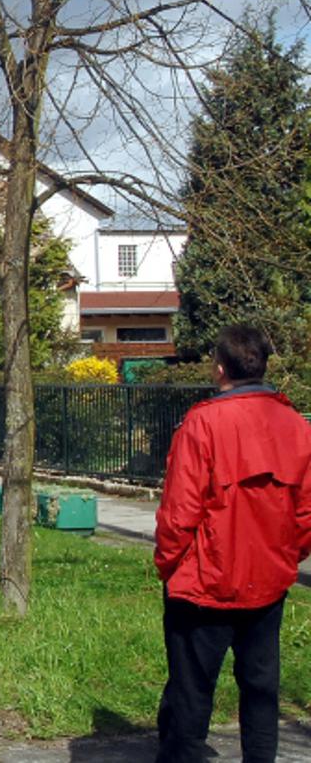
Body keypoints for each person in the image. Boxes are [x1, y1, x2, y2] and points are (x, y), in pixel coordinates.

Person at [154, 324, 311, 763]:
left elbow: (179, 511)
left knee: (192, 693)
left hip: (204, 583)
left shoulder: (203, 424)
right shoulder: (295, 425)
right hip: (267, 581)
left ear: (220, 367)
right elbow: (306, 511)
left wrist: (169, 564)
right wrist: (284, 557)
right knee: (261, 691)